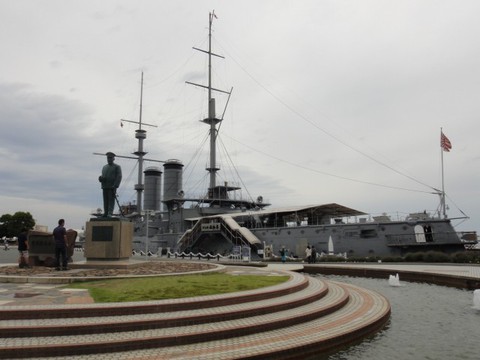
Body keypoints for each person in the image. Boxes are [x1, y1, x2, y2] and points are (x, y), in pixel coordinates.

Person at [98, 152, 122, 217]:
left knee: (111, 200)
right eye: (108, 158)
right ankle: (105, 212)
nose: (109, 159)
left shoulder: (117, 167)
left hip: (112, 187)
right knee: (105, 200)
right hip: (104, 186)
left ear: (113, 159)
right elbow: (103, 176)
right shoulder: (104, 167)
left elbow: (119, 176)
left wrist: (115, 185)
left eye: (110, 158)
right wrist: (101, 179)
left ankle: (110, 212)